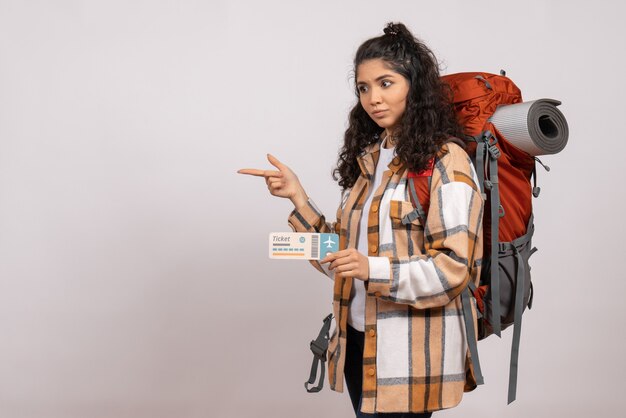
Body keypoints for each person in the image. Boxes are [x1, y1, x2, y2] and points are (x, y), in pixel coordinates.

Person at [239, 22, 483, 417]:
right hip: (357, 341)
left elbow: (453, 270)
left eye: (385, 83)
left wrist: (371, 268)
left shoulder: (446, 162)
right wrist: (297, 196)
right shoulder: (370, 159)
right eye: (363, 87)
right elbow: (343, 260)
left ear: (414, 85)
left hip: (407, 357)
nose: (373, 98)